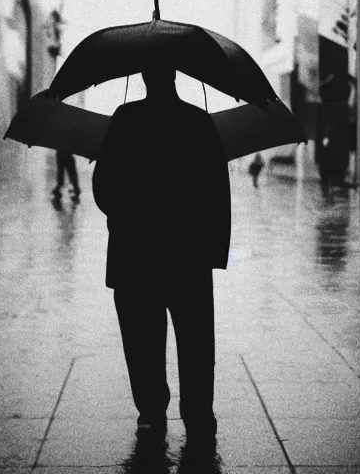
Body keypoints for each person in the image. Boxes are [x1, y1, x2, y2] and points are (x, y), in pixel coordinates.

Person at [92, 64, 231, 447]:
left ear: (142, 78)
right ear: (173, 75)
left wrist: (124, 214)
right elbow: (219, 190)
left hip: (135, 252)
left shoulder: (125, 119)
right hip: (189, 253)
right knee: (196, 340)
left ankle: (152, 414)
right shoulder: (198, 121)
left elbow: (103, 187)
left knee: (142, 340)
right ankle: (199, 414)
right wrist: (214, 252)